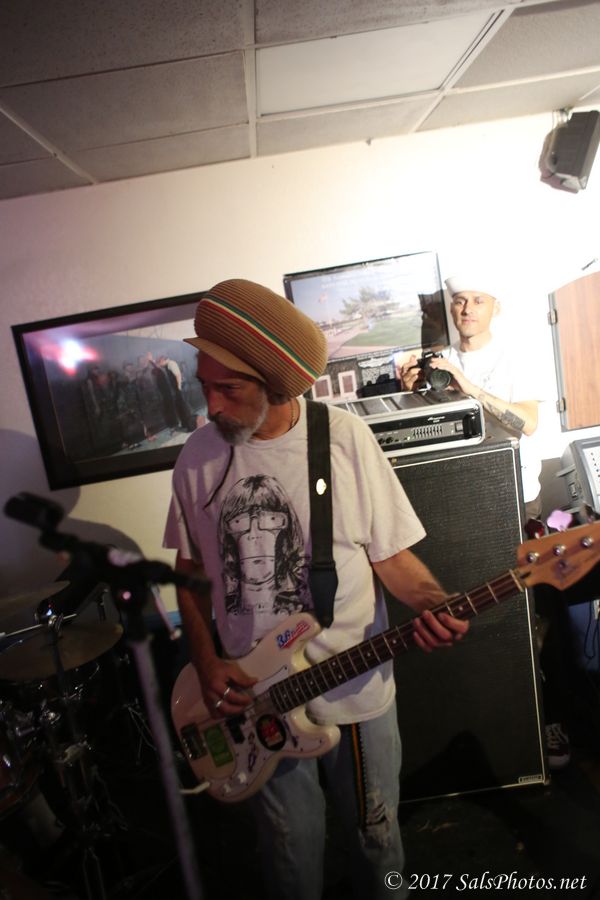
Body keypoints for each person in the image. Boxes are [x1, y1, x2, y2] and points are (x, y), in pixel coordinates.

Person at [163, 278, 469, 900]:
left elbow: (392, 557)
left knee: (376, 842)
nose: (211, 406)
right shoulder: (196, 458)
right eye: (204, 385)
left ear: (276, 386)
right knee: (288, 855)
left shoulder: (344, 439)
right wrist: (206, 660)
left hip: (354, 692)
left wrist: (432, 603)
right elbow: (190, 577)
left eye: (229, 388)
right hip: (255, 704)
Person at [398, 270, 569, 770]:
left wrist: (468, 386)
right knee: (471, 616)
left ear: (496, 306)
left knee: (526, 616)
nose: (466, 308)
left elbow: (528, 422)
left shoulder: (516, 356)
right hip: (458, 500)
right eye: (459, 300)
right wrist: (411, 393)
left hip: (514, 498)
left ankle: (545, 718)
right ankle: (488, 726)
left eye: (477, 300)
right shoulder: (437, 363)